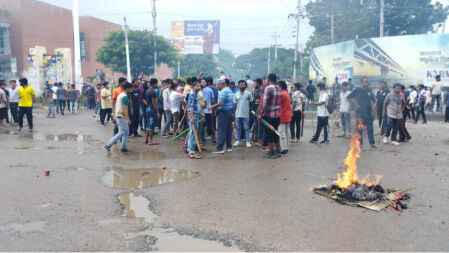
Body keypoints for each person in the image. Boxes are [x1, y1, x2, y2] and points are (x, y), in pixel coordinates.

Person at [347, 77, 377, 149]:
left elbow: (373, 101)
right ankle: (360, 145)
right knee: (359, 129)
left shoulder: (369, 91)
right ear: (361, 82)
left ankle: (372, 144)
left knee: (370, 129)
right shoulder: (357, 90)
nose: (367, 83)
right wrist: (355, 103)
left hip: (368, 113)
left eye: (367, 82)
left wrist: (374, 113)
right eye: (366, 81)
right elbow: (348, 98)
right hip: (359, 113)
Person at [104, 82, 133, 153]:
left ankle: (123, 147)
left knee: (125, 132)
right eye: (131, 88)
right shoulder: (124, 96)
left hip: (119, 115)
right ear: (127, 89)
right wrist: (128, 119)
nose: (132, 90)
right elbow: (125, 108)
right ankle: (108, 145)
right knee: (122, 132)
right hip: (121, 116)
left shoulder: (121, 95)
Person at [208, 79, 234, 154]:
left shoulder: (223, 91)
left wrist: (212, 107)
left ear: (222, 84)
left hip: (223, 113)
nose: (217, 86)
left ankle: (220, 148)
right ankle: (229, 146)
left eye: (217, 85)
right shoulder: (229, 90)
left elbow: (221, 103)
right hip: (229, 112)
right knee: (228, 130)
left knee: (221, 130)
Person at [259, 73, 282, 158]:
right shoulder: (279, 88)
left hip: (269, 115)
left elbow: (265, 103)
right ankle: (278, 151)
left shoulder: (268, 88)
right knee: (275, 133)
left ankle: (272, 152)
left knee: (269, 134)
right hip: (277, 116)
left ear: (269, 80)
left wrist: (261, 114)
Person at [233, 80, 252, 148]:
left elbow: (251, 102)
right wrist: (234, 114)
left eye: (244, 84)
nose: (242, 85)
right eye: (241, 84)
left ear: (245, 85)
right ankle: (238, 141)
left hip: (246, 114)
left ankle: (247, 141)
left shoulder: (248, 94)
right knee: (238, 128)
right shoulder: (236, 94)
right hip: (238, 114)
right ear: (239, 85)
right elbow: (235, 105)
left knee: (246, 128)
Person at [144, 78, 161, 145]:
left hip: (147, 108)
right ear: (154, 84)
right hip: (151, 109)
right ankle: (150, 140)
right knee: (151, 125)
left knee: (148, 124)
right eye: (157, 83)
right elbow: (154, 103)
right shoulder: (153, 91)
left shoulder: (147, 90)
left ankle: (146, 139)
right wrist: (157, 112)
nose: (157, 84)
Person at [187, 82, 202, 158]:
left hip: (195, 115)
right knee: (193, 133)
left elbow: (193, 107)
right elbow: (191, 108)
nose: (199, 87)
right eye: (197, 86)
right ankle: (191, 152)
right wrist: (192, 117)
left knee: (192, 133)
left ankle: (190, 150)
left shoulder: (194, 94)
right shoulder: (192, 94)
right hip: (193, 116)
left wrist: (199, 113)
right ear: (193, 87)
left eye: (199, 86)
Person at [278, 81, 291, 154]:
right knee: (286, 131)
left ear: (281, 86)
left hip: (282, 115)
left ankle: (283, 147)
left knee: (281, 131)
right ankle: (287, 146)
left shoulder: (282, 94)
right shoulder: (287, 93)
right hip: (287, 114)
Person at [201, 77, 216, 142]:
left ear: (206, 83)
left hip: (208, 111)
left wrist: (214, 108)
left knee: (210, 126)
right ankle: (201, 140)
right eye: (201, 82)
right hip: (201, 111)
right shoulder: (198, 90)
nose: (202, 83)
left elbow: (213, 100)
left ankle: (213, 138)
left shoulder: (209, 90)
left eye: (204, 82)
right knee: (201, 126)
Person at [252, 78, 263, 145]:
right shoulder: (255, 91)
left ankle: (260, 140)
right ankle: (256, 138)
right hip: (254, 110)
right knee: (255, 124)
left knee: (260, 126)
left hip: (260, 111)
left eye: (255, 83)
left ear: (259, 84)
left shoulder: (263, 91)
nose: (254, 84)